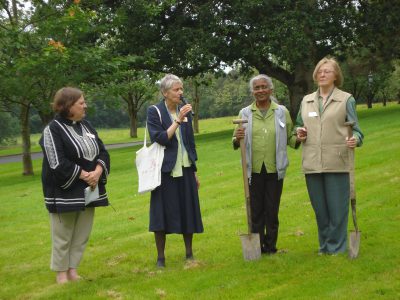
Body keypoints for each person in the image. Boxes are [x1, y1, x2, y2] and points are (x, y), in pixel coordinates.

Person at [39, 87, 110, 283]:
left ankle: (72, 270)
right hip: (64, 190)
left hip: (90, 188)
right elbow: (56, 162)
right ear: (67, 106)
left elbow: (103, 152)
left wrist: (98, 171)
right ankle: (61, 274)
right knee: (63, 235)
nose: (85, 105)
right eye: (81, 103)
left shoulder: (86, 126)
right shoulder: (52, 130)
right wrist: (84, 174)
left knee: (82, 234)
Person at [295, 57, 364, 255]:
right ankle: (324, 246)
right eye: (319, 71)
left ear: (336, 76)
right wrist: (299, 134)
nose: (322, 74)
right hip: (312, 163)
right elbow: (298, 128)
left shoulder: (346, 99)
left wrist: (355, 140)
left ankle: (336, 247)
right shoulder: (306, 101)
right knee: (321, 211)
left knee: (337, 210)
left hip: (338, 161)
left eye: (327, 71)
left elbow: (357, 131)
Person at [233, 74, 299, 254]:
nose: (260, 90)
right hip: (252, 170)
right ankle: (257, 246)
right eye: (257, 88)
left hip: (274, 168)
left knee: (271, 209)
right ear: (252, 92)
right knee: (256, 210)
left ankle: (270, 247)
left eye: (263, 87)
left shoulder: (281, 112)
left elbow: (290, 137)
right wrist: (237, 138)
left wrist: (299, 139)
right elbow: (235, 139)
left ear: (270, 90)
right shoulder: (245, 113)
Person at [146, 74, 203, 267]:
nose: (181, 92)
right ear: (165, 92)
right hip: (164, 171)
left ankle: (189, 253)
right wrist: (178, 120)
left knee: (188, 210)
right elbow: (160, 138)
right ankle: (160, 258)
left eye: (181, 89)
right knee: (161, 214)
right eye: (176, 89)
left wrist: (194, 170)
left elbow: (190, 143)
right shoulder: (155, 111)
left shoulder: (183, 111)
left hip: (185, 168)